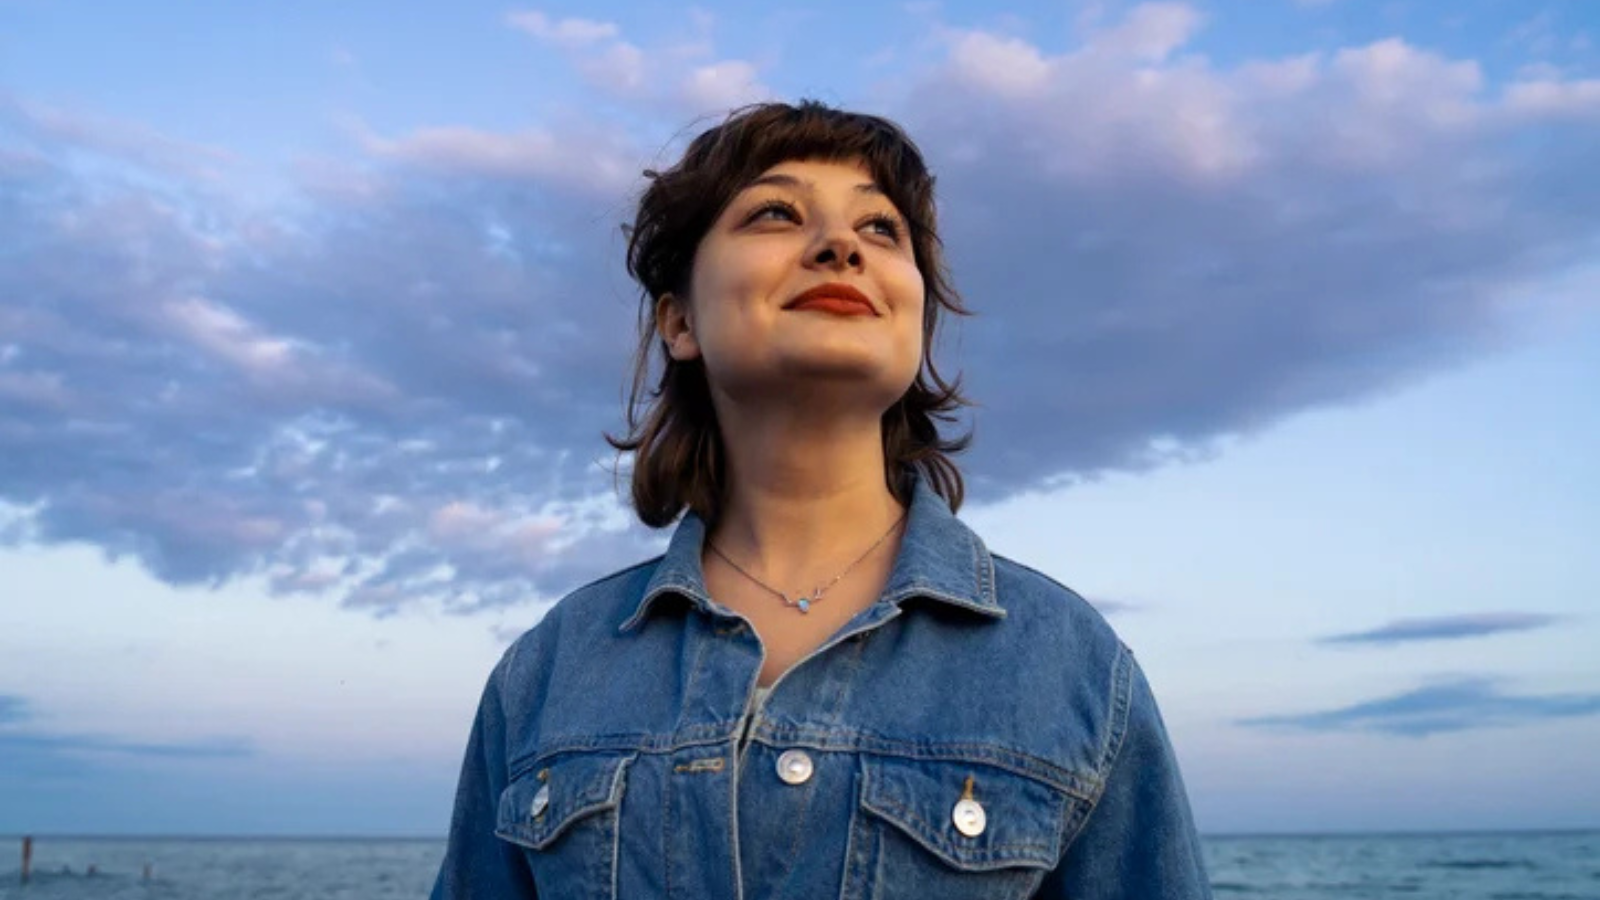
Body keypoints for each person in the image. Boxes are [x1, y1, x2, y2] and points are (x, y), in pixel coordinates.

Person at [431, 100, 1211, 899]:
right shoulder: (550, 670)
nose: (841, 245)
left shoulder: (1071, 665)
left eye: (881, 230)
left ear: (915, 317)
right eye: (776, 212)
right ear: (679, 320)